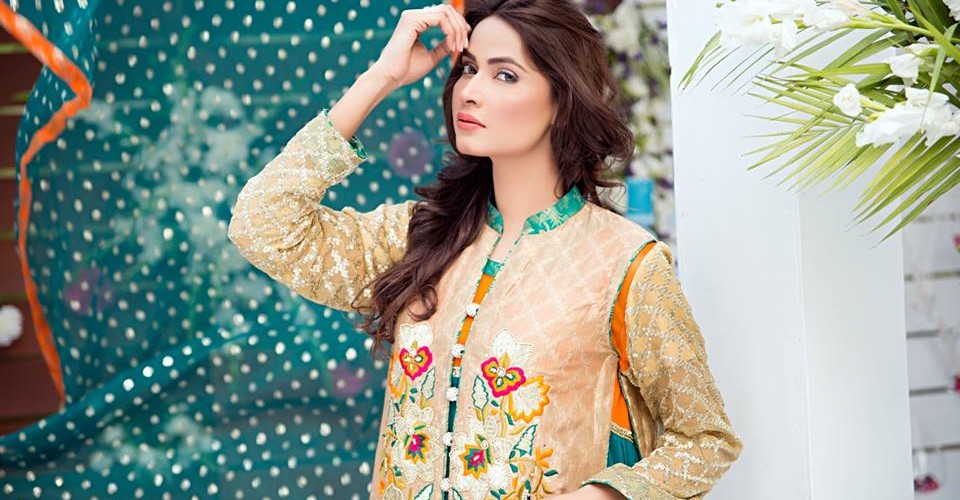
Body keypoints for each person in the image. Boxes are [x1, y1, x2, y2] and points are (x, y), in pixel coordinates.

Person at [227, 1, 743, 499]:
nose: (470, 91)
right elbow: (262, 225)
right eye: (469, 68)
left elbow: (705, 440)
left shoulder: (623, 263)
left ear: (562, 100)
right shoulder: (421, 236)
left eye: (505, 75)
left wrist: (600, 495)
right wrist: (381, 77)